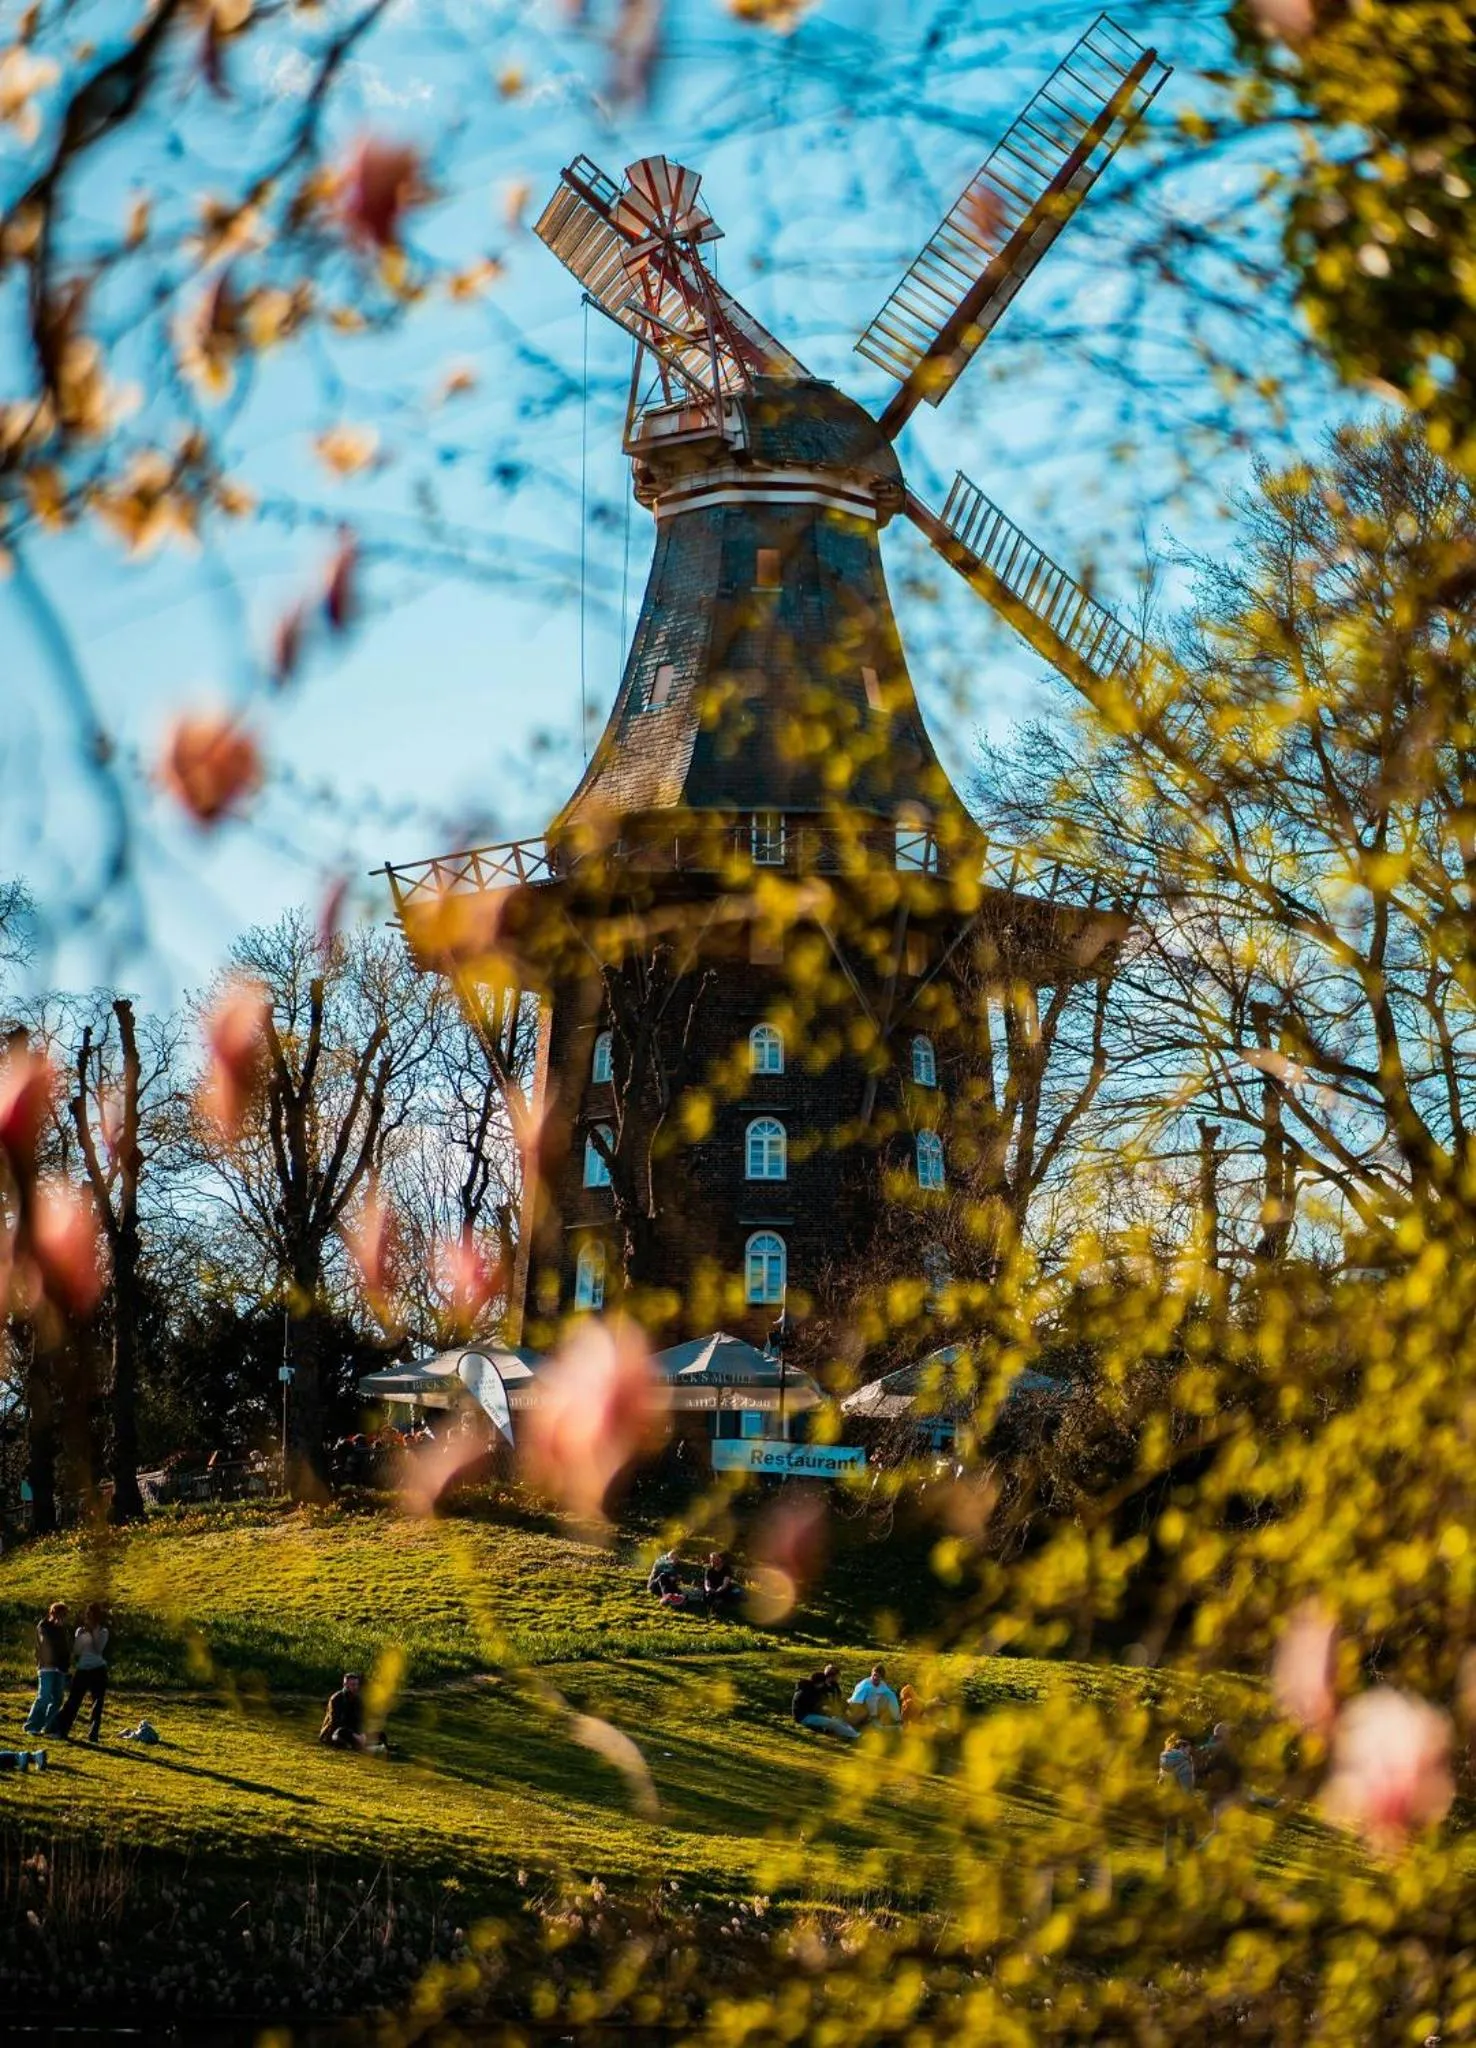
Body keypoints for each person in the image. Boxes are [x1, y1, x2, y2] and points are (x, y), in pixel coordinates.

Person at [52, 1604, 110, 1744]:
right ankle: (62, 1731)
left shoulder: (103, 1631)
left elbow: (97, 1649)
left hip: (98, 1669)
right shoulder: (79, 1631)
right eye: (87, 1615)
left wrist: (91, 1633)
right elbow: (77, 1651)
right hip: (83, 1669)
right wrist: (83, 1635)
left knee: (97, 1703)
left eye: (91, 1616)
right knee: (73, 1701)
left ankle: (93, 1734)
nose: (88, 1618)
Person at [23, 1602, 70, 1737]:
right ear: (52, 1614)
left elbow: (65, 1648)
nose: (62, 1619)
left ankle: (48, 1726)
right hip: (47, 1666)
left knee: (57, 1699)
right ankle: (32, 1726)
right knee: (44, 1696)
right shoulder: (44, 1626)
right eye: (60, 1615)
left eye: (64, 1616)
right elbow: (47, 1643)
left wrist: (66, 1666)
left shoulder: (61, 1629)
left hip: (59, 1668)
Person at [318, 1673, 387, 1753]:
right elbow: (335, 1723)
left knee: (381, 1735)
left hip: (355, 1735)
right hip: (335, 1734)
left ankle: (368, 1746)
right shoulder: (336, 1699)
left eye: (357, 1685)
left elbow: (360, 1721)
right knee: (341, 1731)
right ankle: (364, 1747)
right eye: (353, 1685)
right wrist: (353, 1735)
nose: (355, 1687)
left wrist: (362, 1735)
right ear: (345, 1685)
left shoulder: (358, 1700)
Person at [1158, 1730, 1197, 1862]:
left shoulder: (1165, 1760)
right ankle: (1189, 1859)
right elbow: (1187, 1786)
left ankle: (1169, 1860)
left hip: (1168, 1801)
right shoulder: (1184, 1762)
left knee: (1170, 1831)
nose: (1189, 1753)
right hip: (1182, 1801)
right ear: (1181, 1748)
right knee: (1190, 1831)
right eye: (1188, 1750)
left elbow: (1161, 1782)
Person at [792, 1664, 858, 1742]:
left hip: (813, 1714)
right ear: (819, 1683)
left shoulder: (816, 1690)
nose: (824, 1685)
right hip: (804, 1717)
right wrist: (825, 1710)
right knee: (832, 1722)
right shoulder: (805, 1691)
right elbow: (811, 1706)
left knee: (838, 1720)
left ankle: (855, 1734)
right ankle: (853, 1736)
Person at [848, 1663, 901, 1728]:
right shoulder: (865, 1685)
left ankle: (897, 1719)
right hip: (863, 1708)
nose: (875, 1678)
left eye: (878, 1676)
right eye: (874, 1675)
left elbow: (889, 1696)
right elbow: (855, 1702)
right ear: (871, 1674)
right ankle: (872, 1720)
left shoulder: (882, 1684)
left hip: (875, 1709)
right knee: (872, 1696)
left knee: (890, 1695)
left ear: (881, 1678)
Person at [702, 1551, 741, 1620]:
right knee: (708, 1595)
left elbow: (725, 1584)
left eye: (714, 1559)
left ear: (720, 1560)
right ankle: (712, 1612)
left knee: (736, 1593)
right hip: (713, 1588)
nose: (712, 1561)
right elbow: (706, 1584)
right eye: (711, 1559)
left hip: (723, 1589)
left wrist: (718, 1591)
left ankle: (727, 1609)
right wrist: (709, 1589)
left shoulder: (726, 1569)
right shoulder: (709, 1569)